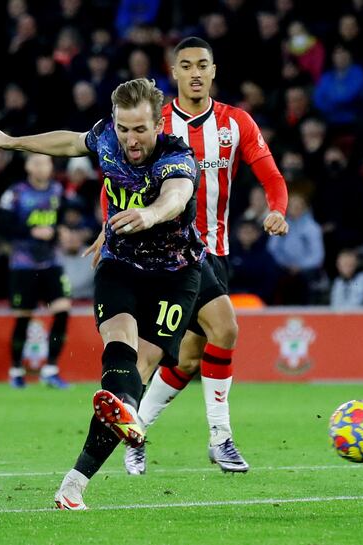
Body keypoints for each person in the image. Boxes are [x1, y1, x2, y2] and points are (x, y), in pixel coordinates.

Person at [0, 78, 204, 510]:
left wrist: (150, 213)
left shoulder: (176, 156)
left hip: (175, 275)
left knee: (142, 364)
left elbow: (177, 197)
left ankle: (76, 478)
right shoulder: (105, 136)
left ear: (158, 123)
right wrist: (13, 143)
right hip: (119, 263)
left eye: (140, 129)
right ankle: (124, 416)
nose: (130, 139)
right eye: (123, 128)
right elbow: (69, 142)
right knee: (118, 343)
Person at [118, 37, 289, 475]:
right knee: (225, 329)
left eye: (203, 65)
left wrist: (277, 209)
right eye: (186, 65)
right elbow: (120, 174)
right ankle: (221, 437)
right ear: (173, 73)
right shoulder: (155, 126)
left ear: (214, 71)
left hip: (217, 254)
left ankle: (134, 430)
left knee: (191, 358)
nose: (195, 72)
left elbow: (271, 175)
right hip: (169, 254)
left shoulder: (236, 123)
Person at [0, 153, 71, 389]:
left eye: (46, 162)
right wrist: (31, 232)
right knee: (23, 316)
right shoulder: (15, 193)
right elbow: (3, 226)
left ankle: (50, 368)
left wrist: (58, 233)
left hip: (51, 262)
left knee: (62, 310)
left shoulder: (57, 191)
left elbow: (60, 222)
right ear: (28, 166)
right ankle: (16, 370)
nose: (41, 167)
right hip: (23, 264)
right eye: (36, 162)